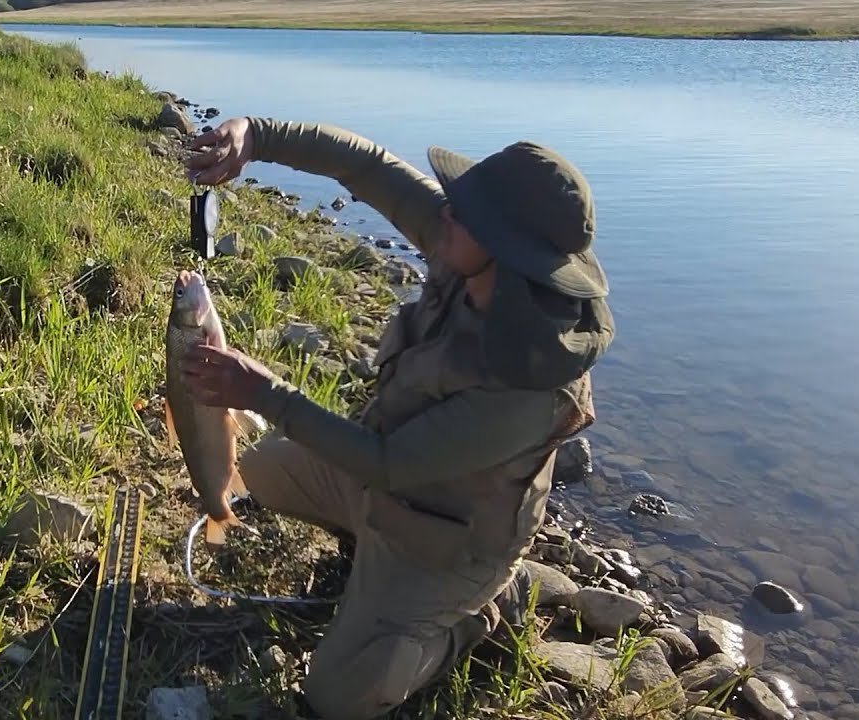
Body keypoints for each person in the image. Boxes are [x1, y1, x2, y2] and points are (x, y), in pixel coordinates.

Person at [177, 116, 615, 720]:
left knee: (336, 694)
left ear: (507, 249)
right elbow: (367, 166)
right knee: (259, 470)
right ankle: (365, 550)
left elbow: (390, 464)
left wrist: (263, 392)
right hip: (380, 483)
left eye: (467, 210)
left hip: (443, 542)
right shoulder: (468, 247)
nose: (447, 210)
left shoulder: (531, 384)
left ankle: (474, 619)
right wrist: (257, 136)